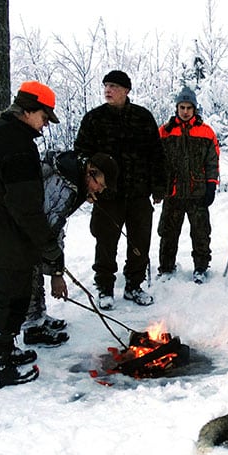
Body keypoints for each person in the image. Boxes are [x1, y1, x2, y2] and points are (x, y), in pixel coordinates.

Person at [0, 80, 62, 389]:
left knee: (13, 298)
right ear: (29, 110)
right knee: (8, 303)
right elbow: (25, 206)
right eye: (45, 117)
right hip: (6, 239)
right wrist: (48, 245)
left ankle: (6, 351)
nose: (45, 125)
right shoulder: (17, 145)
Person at [74, 70, 166, 308]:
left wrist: (158, 187)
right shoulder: (94, 119)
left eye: (113, 86)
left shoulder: (143, 117)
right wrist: (87, 189)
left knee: (139, 242)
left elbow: (156, 154)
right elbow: (81, 155)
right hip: (107, 196)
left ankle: (134, 286)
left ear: (126, 90)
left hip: (138, 193)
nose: (108, 90)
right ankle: (104, 288)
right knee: (105, 242)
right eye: (106, 85)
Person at [21, 151, 118, 346]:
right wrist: (57, 271)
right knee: (30, 269)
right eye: (99, 185)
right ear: (91, 172)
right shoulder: (64, 187)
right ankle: (33, 327)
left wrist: (84, 193)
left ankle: (38, 316)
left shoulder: (73, 174)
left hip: (32, 229)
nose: (98, 191)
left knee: (37, 265)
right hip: (21, 232)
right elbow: (48, 230)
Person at [156, 87, 220, 283]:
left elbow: (212, 161)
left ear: (194, 109)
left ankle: (200, 267)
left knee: (201, 233)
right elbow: (156, 161)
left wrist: (211, 185)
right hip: (172, 192)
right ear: (176, 108)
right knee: (168, 233)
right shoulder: (164, 131)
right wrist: (157, 186)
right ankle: (166, 268)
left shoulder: (206, 132)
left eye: (189, 107)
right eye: (182, 107)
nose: (185, 111)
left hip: (197, 193)